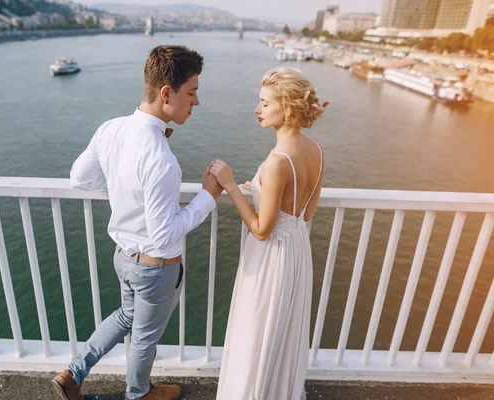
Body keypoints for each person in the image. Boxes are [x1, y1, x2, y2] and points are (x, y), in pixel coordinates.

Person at [51, 45, 223, 400]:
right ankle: (139, 394)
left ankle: (73, 373)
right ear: (166, 93)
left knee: (125, 317)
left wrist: (120, 183)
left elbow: (79, 179)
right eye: (191, 93)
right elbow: (163, 235)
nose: (196, 102)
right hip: (154, 267)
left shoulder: (111, 129)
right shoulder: (160, 159)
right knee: (144, 338)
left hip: (124, 257)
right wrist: (208, 196)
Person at [211, 67, 328, 400]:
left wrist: (232, 186)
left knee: (256, 330)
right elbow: (304, 212)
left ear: (288, 109)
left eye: (264, 103)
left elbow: (263, 229)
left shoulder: (278, 161)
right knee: (283, 331)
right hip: (296, 250)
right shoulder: (317, 151)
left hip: (271, 257)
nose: (257, 110)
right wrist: (260, 190)